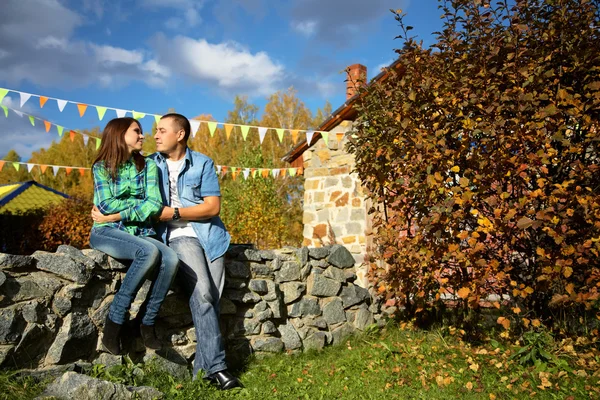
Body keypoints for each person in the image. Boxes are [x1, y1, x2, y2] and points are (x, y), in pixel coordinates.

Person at [149, 113, 242, 390]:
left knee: (210, 299)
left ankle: (201, 375)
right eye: (156, 130)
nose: (155, 135)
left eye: (162, 130)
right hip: (178, 237)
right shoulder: (149, 166)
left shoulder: (202, 163)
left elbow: (212, 207)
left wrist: (174, 211)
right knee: (203, 293)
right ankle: (220, 368)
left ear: (180, 134)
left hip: (211, 237)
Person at [89, 117, 179, 355]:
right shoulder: (101, 167)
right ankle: (115, 321)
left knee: (171, 259)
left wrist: (117, 214)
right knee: (147, 252)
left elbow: (154, 204)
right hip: (105, 232)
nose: (143, 136)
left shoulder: (148, 166)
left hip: (139, 231)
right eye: (137, 131)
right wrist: (133, 207)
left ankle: (145, 322)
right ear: (120, 135)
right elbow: (106, 204)